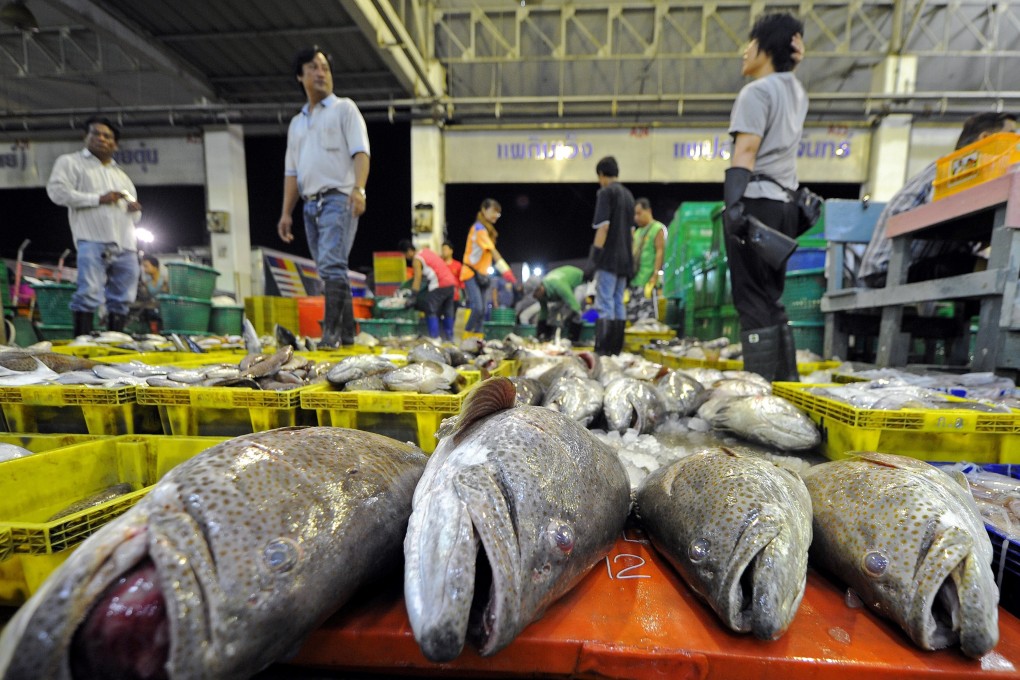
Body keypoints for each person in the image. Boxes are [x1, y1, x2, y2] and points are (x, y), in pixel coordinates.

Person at [723, 12, 807, 382]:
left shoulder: (756, 92)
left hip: (755, 204)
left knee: (751, 300)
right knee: (771, 299)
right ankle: (784, 387)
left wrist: (733, 204)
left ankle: (761, 397)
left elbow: (747, 149)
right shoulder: (796, 91)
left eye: (751, 43)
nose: (745, 52)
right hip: (784, 207)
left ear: (767, 48)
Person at [858, 111, 1018, 288]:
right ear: (985, 138)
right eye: (1011, 136)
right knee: (995, 274)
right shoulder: (951, 172)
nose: (1016, 145)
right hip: (887, 271)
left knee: (997, 272)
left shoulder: (970, 176)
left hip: (914, 263)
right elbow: (944, 216)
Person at [277, 46, 370, 348]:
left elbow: (361, 152)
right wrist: (286, 212)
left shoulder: (345, 109)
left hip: (338, 199)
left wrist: (359, 188)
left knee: (330, 267)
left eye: (325, 68)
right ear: (300, 76)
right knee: (331, 269)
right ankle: (345, 334)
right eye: (314, 67)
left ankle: (330, 336)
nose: (321, 73)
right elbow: (292, 171)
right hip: (309, 205)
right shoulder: (297, 123)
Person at [46, 116, 142, 336]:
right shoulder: (70, 162)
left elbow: (134, 220)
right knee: (89, 292)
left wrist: (134, 210)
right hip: (92, 240)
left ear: (115, 144)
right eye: (95, 133)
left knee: (123, 297)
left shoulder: (123, 177)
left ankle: (115, 340)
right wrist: (98, 198)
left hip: (126, 245)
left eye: (107, 136)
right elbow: (57, 193)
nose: (100, 138)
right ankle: (83, 343)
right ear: (85, 137)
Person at [585, 156, 635, 355]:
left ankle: (603, 351)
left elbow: (603, 228)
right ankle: (616, 351)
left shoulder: (606, 192)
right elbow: (631, 232)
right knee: (617, 302)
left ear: (602, 175)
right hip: (625, 260)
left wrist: (594, 257)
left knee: (604, 302)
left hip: (609, 259)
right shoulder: (629, 196)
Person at [460, 198, 517, 338]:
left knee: (485, 309)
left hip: (483, 275)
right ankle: (466, 336)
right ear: (484, 210)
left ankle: (478, 339)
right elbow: (492, 251)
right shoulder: (478, 229)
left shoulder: (487, 230)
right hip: (471, 273)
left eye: (498, 214)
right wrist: (506, 270)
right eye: (493, 212)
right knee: (478, 307)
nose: (496, 216)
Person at [399, 239, 457, 340]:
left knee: (430, 310)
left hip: (440, 283)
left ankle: (434, 338)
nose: (406, 257)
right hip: (451, 283)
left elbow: (417, 278)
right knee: (448, 311)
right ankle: (450, 339)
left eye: (405, 254)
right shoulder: (426, 251)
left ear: (409, 251)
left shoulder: (417, 259)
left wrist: (413, 297)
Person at [627, 198, 666, 323]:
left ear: (648, 211)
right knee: (632, 318)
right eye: (635, 214)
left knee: (646, 319)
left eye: (639, 213)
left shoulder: (657, 228)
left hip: (648, 282)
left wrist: (655, 275)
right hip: (635, 281)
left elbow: (660, 251)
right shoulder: (637, 232)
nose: (636, 217)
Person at [523, 265, 586, 341]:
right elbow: (544, 312)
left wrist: (569, 320)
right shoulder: (541, 294)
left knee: (571, 310)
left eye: (534, 295)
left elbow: (575, 306)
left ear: (539, 289)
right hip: (565, 285)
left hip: (580, 281)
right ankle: (549, 337)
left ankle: (574, 339)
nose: (534, 298)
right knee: (553, 310)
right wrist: (540, 334)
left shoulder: (558, 285)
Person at [135, 254, 169, 331]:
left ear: (155, 267)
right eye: (143, 266)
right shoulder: (147, 283)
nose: (144, 269)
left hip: (165, 313)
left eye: (146, 266)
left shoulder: (165, 280)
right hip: (153, 312)